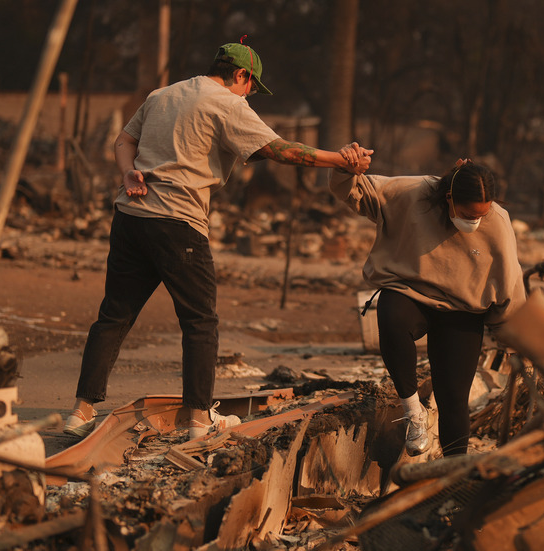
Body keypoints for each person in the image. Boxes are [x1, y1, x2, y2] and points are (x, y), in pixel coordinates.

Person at [64, 42, 370, 441]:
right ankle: (197, 421)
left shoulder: (163, 95)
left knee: (114, 316)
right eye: (251, 88)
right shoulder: (227, 103)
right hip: (178, 223)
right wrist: (341, 159)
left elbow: (124, 141)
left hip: (131, 217)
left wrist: (128, 174)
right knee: (200, 323)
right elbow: (279, 150)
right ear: (240, 76)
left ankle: (80, 411)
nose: (249, 97)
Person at [330, 145, 526, 457]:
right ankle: (414, 413)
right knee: (391, 317)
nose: (475, 221)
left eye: (481, 215)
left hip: (463, 310)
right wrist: (345, 167)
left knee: (453, 400)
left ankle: (451, 479)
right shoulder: (413, 194)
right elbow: (359, 192)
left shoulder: (498, 222)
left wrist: (518, 340)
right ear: (449, 198)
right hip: (411, 294)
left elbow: (509, 284)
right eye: (467, 214)